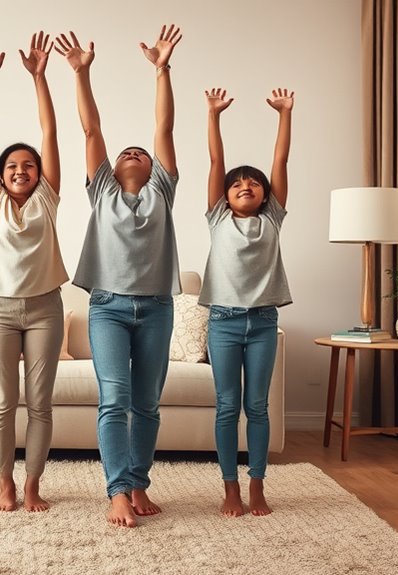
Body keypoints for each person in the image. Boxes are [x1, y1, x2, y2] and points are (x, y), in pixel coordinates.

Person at [54, 25, 182, 528]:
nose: (133, 153)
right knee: (115, 400)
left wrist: (161, 69)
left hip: (156, 307)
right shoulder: (102, 189)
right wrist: (82, 74)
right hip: (107, 306)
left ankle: (138, 482)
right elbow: (91, 130)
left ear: (155, 169)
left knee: (147, 404)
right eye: (125, 152)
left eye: (141, 154)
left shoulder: (163, 192)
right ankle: (117, 491)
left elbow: (164, 129)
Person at [0, 33, 68, 512]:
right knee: (3, 401)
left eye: (29, 165)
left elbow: (50, 134)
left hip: (46, 306)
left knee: (41, 403)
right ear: (1, 173)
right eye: (13, 165)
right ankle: (4, 483)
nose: (21, 170)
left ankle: (33, 484)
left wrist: (39, 77)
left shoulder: (48, 198)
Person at [201, 87, 294, 517]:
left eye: (253, 183)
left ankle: (257, 485)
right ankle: (230, 488)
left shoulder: (272, 216)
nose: (245, 186)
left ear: (264, 195)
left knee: (256, 406)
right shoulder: (218, 216)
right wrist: (213, 116)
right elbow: (216, 162)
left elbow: (280, 163)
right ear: (225, 195)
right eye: (237, 184)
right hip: (222, 321)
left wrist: (284, 115)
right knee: (226, 407)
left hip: (262, 322)